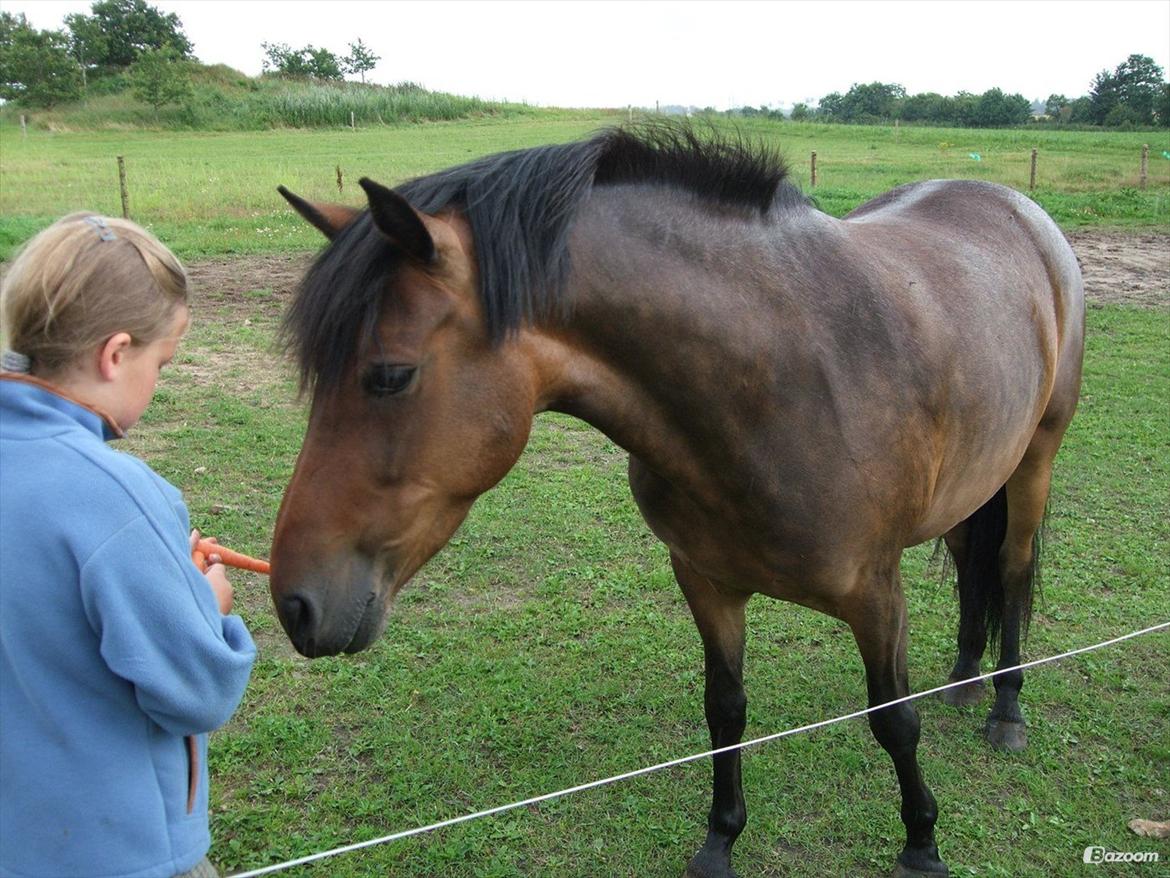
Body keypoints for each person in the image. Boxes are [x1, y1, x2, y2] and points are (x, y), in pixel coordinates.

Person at [0, 213, 257, 878]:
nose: (158, 379)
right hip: (116, 855)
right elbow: (196, 691)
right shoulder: (115, 496)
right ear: (115, 354)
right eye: (160, 363)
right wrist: (209, 605)